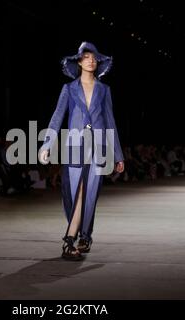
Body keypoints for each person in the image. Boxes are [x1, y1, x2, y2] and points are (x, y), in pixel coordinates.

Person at [40, 42, 124, 260]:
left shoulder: (105, 90)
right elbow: (57, 117)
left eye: (94, 57)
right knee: (75, 193)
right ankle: (79, 236)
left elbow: (110, 122)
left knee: (89, 194)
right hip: (75, 147)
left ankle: (75, 238)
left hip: (98, 147)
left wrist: (118, 155)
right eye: (86, 56)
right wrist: (47, 144)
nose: (91, 60)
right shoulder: (69, 88)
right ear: (78, 61)